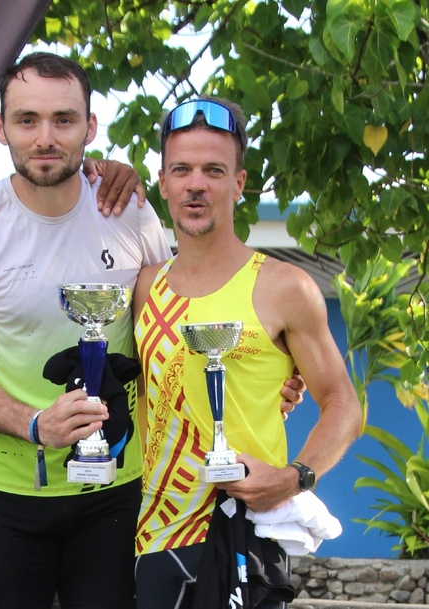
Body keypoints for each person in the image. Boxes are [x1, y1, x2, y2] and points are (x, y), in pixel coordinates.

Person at [0, 54, 304, 609]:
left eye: (64, 119)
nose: (46, 137)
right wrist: (34, 425)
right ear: (1, 128)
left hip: (118, 490)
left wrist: (263, 380)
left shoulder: (129, 211)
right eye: (27, 120)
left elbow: (173, 321)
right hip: (8, 491)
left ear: (90, 126)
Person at [133, 97, 362, 609]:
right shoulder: (145, 287)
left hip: (241, 533)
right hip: (150, 534)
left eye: (214, 170)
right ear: (163, 182)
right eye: (182, 170)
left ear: (238, 183)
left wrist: (293, 478)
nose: (196, 184)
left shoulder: (285, 287)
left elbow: (344, 404)